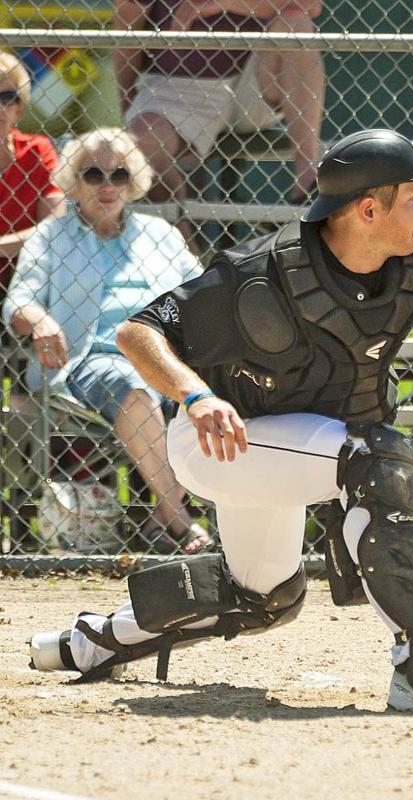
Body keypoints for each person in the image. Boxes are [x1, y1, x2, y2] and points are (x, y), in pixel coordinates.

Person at [27, 129, 413, 711]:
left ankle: (91, 641)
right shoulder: (258, 272)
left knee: (263, 594)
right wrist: (195, 396)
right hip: (218, 441)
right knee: (375, 460)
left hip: (291, 451)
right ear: (369, 209)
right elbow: (137, 332)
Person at [4, 128, 211, 554]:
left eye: (118, 174)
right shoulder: (51, 236)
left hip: (164, 353)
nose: (106, 185)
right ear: (72, 181)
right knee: (131, 385)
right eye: (93, 174)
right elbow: (18, 300)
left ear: (132, 180)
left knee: (219, 382)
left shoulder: (159, 234)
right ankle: (177, 517)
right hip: (85, 360)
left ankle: (164, 521)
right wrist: (40, 320)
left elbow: (202, 290)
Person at [113, 0, 326, 239]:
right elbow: (127, 24)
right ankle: (186, 259)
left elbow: (310, 5)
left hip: (255, 78)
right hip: (178, 86)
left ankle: (308, 185)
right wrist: (129, 104)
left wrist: (220, 3)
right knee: (145, 142)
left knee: (295, 21)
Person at [0, 51, 65, 294]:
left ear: (18, 109)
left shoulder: (37, 150)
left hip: (26, 279)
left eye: (7, 97)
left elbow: (55, 224)